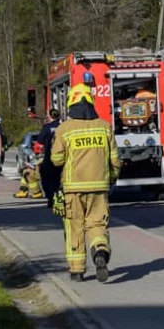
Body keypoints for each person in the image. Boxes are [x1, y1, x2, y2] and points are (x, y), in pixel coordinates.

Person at [50, 84, 120, 283]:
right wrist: (112, 178)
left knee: (75, 227)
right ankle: (99, 250)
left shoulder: (65, 129)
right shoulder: (104, 127)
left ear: (71, 103)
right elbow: (115, 160)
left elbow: (56, 159)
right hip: (99, 187)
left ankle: (77, 271)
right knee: (97, 225)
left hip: (73, 188)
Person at [37, 108, 62, 209]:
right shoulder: (62, 127)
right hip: (61, 156)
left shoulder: (47, 127)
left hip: (49, 156)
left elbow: (40, 140)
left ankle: (51, 198)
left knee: (47, 178)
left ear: (50, 116)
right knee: (58, 179)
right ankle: (59, 198)